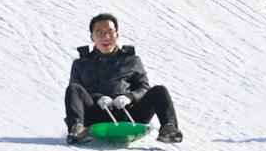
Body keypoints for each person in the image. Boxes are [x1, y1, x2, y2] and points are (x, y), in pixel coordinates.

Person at [65, 13, 182, 144]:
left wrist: (129, 97)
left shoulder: (131, 60)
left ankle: (169, 129)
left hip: (129, 114)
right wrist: (97, 98)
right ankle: (77, 130)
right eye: (99, 32)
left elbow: (144, 88)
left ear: (117, 35)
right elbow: (75, 95)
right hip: (95, 115)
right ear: (92, 37)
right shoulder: (81, 63)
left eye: (110, 31)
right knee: (73, 88)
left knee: (159, 90)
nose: (106, 36)